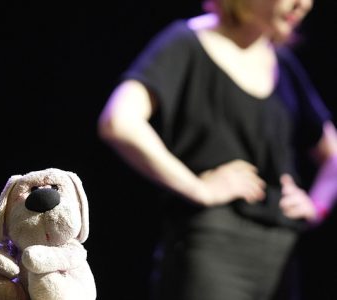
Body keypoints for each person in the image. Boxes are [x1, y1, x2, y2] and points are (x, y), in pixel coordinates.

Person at [97, 0, 337, 299]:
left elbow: (333, 155)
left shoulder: (283, 63)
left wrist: (317, 206)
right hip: (213, 253)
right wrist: (199, 188)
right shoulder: (186, 42)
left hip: (281, 258)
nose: (304, 4)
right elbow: (119, 121)